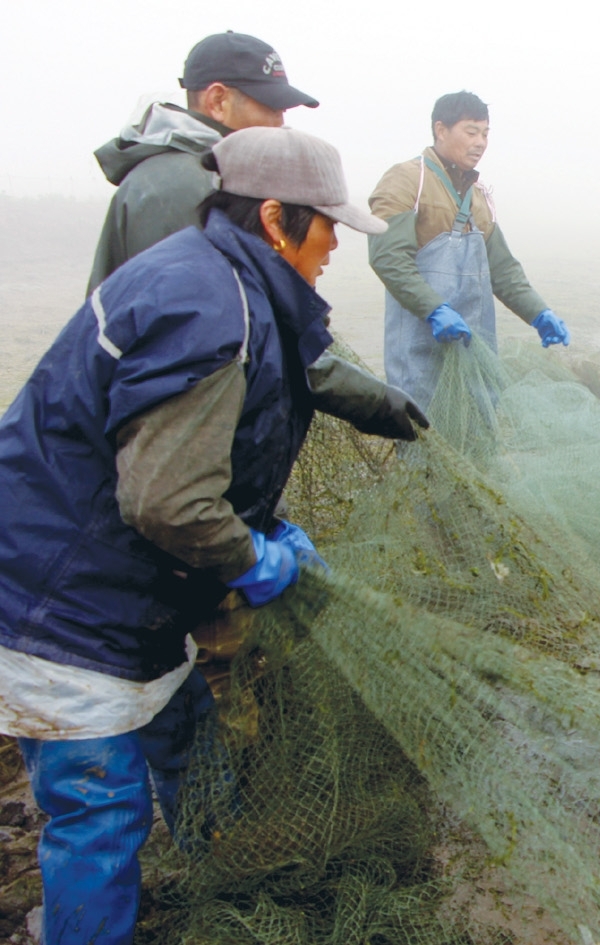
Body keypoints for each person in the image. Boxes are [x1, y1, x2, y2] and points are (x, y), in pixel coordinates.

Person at [0, 127, 428, 945]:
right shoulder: (206, 304)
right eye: (326, 222)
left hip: (131, 589)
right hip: (61, 600)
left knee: (191, 743)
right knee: (99, 806)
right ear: (274, 218)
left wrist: (267, 526)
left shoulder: (231, 282)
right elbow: (169, 502)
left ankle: (223, 879)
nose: (337, 241)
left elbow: (208, 447)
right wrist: (252, 558)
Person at [368, 90, 569, 411]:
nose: (481, 142)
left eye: (486, 133)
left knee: (478, 422)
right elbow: (388, 258)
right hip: (421, 342)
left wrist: (538, 312)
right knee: (421, 427)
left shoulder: (478, 196)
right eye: (471, 132)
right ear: (440, 130)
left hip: (474, 344)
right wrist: (434, 309)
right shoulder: (406, 181)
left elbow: (503, 270)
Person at [88, 30, 319, 292]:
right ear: (218, 101)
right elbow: (191, 316)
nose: (280, 124)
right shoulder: (184, 187)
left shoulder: (215, 172)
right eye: (274, 109)